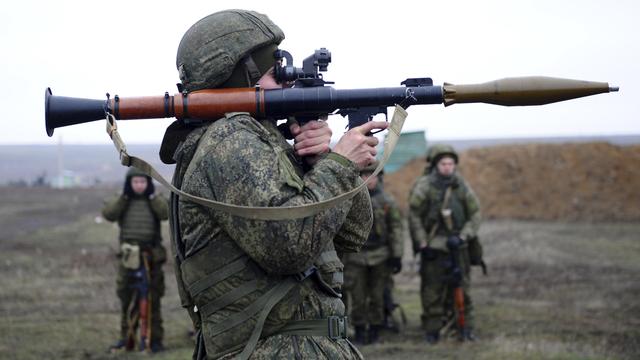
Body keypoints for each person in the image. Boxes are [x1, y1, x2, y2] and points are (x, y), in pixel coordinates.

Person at [162, 10, 388, 360]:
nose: (287, 82)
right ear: (239, 78)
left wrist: (322, 160)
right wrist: (341, 164)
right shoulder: (230, 141)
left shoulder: (265, 141)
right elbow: (289, 245)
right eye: (275, 72)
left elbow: (353, 234)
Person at [408, 144, 481, 344]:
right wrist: (423, 243)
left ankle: (465, 328)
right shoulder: (424, 186)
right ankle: (432, 330)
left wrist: (463, 236)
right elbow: (414, 215)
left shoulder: (461, 186)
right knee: (432, 292)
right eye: (443, 163)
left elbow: (475, 214)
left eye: (451, 163)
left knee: (462, 289)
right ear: (435, 165)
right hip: (433, 249)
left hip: (458, 247)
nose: (447, 167)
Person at [102, 167, 169, 352]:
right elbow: (109, 213)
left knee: (152, 300)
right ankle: (126, 338)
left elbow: (166, 213)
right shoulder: (123, 200)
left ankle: (155, 340)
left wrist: (153, 197)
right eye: (135, 182)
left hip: (151, 258)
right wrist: (123, 197)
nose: (139, 185)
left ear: (148, 183)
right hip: (129, 258)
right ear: (129, 183)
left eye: (143, 182)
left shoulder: (154, 200)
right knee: (127, 299)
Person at [342, 161, 404, 344]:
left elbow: (396, 229)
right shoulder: (349, 200)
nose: (369, 180)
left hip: (381, 256)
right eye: (365, 176)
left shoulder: (387, 201)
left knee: (378, 296)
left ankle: (376, 329)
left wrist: (396, 255)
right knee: (358, 297)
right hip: (355, 257)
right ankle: (360, 330)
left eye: (374, 176)